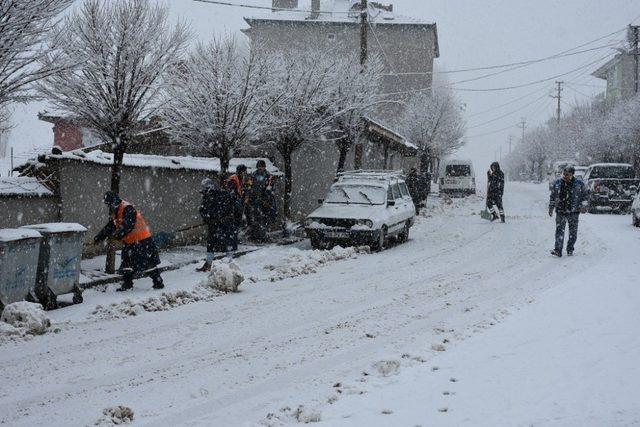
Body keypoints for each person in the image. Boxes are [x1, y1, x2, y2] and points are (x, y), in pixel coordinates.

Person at [94, 191, 164, 291]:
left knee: (149, 264)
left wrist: (117, 236)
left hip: (143, 241)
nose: (109, 206)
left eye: (109, 204)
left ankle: (158, 282)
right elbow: (110, 227)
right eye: (108, 204)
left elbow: (128, 226)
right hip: (130, 242)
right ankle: (127, 284)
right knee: (126, 263)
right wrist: (98, 238)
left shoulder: (127, 208)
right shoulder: (116, 212)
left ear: (114, 201)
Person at [197, 177, 239, 272]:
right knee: (211, 244)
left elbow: (235, 205)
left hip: (226, 224)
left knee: (228, 243)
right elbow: (203, 210)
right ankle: (208, 264)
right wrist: (208, 219)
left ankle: (229, 264)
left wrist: (229, 215)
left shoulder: (224, 195)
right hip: (214, 224)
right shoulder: (208, 197)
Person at [548, 165, 588, 257]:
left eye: (568, 175)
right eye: (564, 174)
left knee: (573, 233)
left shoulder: (579, 184)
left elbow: (585, 196)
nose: (565, 176)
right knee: (559, 231)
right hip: (560, 211)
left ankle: (570, 248)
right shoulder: (557, 183)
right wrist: (551, 207)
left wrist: (584, 206)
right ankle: (558, 250)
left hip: (573, 212)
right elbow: (553, 196)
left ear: (572, 174)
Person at [247, 159, 275, 242]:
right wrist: (249, 196)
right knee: (255, 218)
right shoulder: (253, 175)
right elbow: (249, 186)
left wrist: (266, 200)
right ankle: (255, 235)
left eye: (261, 167)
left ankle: (263, 235)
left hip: (264, 201)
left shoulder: (269, 176)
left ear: (264, 167)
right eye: (259, 167)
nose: (260, 168)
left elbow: (270, 189)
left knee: (264, 218)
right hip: (255, 200)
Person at [226, 164, 248, 251]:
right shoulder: (233, 179)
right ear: (240, 172)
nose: (245, 174)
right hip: (233, 206)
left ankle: (233, 244)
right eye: (244, 172)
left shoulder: (240, 179)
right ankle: (232, 245)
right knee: (233, 226)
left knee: (236, 225)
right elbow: (232, 194)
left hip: (237, 205)